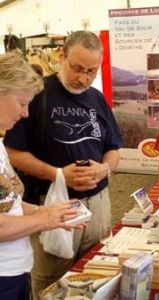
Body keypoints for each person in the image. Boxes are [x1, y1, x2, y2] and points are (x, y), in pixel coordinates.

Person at [4, 31, 123, 299]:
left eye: (91, 71)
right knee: (51, 279)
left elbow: (114, 149)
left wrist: (104, 168)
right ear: (62, 57)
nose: (84, 78)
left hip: (98, 202)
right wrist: (58, 174)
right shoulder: (36, 94)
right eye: (77, 68)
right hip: (52, 200)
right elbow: (13, 152)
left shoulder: (96, 98)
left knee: (96, 269)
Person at [0, 51, 84, 300]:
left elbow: (8, 204)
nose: (25, 113)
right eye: (21, 103)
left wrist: (45, 211)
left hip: (16, 269)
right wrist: (46, 219)